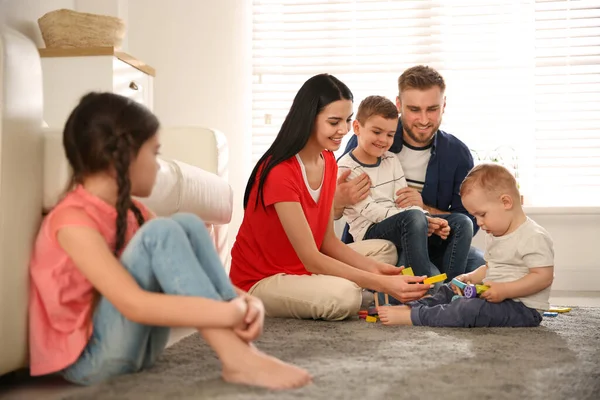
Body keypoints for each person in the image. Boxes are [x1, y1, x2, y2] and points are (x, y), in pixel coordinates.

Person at [28, 92, 311, 389]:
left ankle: (241, 354)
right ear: (121, 159)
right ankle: (238, 359)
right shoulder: (73, 220)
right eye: (154, 153)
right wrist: (227, 312)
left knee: (186, 223)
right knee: (160, 232)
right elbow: (133, 304)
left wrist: (247, 300)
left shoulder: (132, 211)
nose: (158, 165)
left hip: (137, 347)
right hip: (90, 360)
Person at [229, 74, 431, 321]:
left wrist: (377, 271)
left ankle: (354, 287)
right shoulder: (279, 172)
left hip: (303, 269)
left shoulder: (328, 162)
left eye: (347, 120)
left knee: (384, 251)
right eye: (334, 122)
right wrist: (380, 283)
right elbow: (311, 257)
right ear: (308, 119)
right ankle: (356, 291)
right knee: (344, 297)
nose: (344, 130)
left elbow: (327, 242)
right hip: (263, 280)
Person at [335, 65, 485, 273]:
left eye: (432, 109)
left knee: (479, 262)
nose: (423, 120)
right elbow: (336, 207)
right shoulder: (368, 140)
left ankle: (447, 294)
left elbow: (471, 220)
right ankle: (433, 287)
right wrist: (337, 200)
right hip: (384, 239)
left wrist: (427, 211)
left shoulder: (457, 153)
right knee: (425, 266)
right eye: (414, 110)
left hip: (431, 237)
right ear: (399, 105)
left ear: (443, 106)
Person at [377, 163, 554, 327]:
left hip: (522, 308)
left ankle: (416, 317)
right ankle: (415, 307)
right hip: (495, 298)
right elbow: (490, 267)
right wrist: (469, 277)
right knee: (448, 289)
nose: (479, 222)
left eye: (482, 215)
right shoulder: (497, 233)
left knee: (467, 309)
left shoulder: (533, 237)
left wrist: (505, 290)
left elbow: (543, 277)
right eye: (475, 216)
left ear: (506, 202)